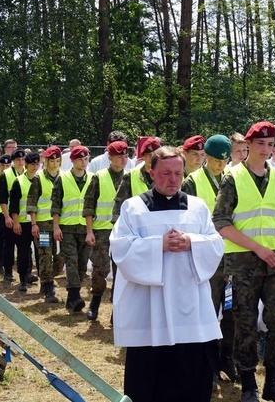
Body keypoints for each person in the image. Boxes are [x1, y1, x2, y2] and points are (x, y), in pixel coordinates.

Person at [110, 146, 224, 402]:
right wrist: (157, 245)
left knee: (191, 375)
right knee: (149, 378)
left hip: (189, 306)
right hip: (149, 307)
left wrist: (191, 241)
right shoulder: (133, 208)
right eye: (165, 173)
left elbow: (215, 244)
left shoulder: (197, 207)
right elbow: (120, 247)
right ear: (152, 173)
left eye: (178, 173)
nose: (172, 179)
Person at [213, 121, 275, 402]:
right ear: (249, 145)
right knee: (245, 323)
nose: (266, 149)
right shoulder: (232, 177)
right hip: (242, 262)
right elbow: (221, 222)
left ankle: (273, 384)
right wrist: (257, 248)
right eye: (260, 144)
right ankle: (248, 385)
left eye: (271, 144)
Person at [181, 134, 236, 382]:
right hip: (204, 255)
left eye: (224, 161)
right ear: (206, 157)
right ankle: (207, 364)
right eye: (215, 160)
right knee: (207, 309)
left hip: (232, 254)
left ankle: (227, 357)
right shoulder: (192, 182)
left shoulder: (233, 178)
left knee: (232, 309)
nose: (220, 165)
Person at [83, 141, 128, 320]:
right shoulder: (98, 177)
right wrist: (89, 231)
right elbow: (89, 206)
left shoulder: (131, 177)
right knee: (101, 268)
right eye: (119, 156)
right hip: (101, 230)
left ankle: (115, 309)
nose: (124, 160)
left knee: (121, 270)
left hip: (123, 231)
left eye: (125, 156)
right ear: (110, 158)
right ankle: (95, 302)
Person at [52, 145, 92, 312]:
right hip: (67, 227)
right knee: (72, 261)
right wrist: (56, 227)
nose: (83, 162)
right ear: (73, 161)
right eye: (80, 159)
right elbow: (56, 205)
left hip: (85, 227)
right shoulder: (63, 179)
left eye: (85, 159)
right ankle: (75, 295)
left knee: (82, 263)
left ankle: (71, 298)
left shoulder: (92, 178)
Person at [26, 146, 64, 303]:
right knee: (45, 254)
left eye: (57, 161)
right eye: (52, 161)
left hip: (61, 224)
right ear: (46, 161)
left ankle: (49, 277)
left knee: (60, 256)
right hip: (42, 224)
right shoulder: (38, 178)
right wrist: (34, 224)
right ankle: (48, 286)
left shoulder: (64, 177)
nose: (55, 164)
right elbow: (32, 203)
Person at [9, 152, 42, 292]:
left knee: (43, 251)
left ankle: (45, 280)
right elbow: (14, 205)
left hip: (41, 223)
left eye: (37, 164)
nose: (35, 167)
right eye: (32, 164)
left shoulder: (42, 180)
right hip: (23, 223)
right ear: (26, 165)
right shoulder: (19, 181)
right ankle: (23, 278)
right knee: (23, 251)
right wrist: (15, 222)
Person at [0, 149, 26, 282]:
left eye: (22, 159)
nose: (21, 162)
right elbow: (2, 198)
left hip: (25, 216)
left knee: (25, 247)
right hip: (10, 214)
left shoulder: (29, 173)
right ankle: (8, 271)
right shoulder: (6, 174)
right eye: (18, 160)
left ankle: (25, 272)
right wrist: (6, 217)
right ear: (13, 161)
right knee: (9, 245)